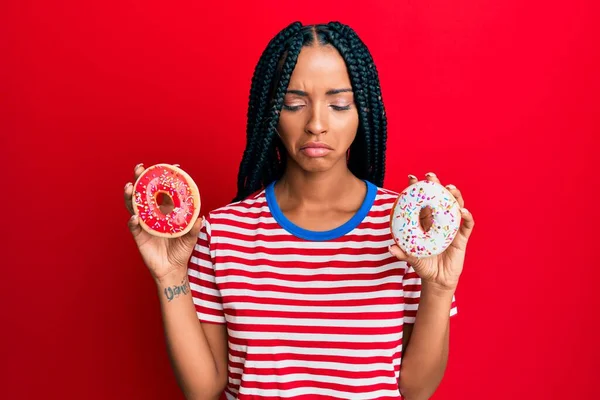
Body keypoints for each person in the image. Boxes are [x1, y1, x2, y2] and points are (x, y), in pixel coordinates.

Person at [123, 21, 475, 400]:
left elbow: (416, 390)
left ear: (363, 111)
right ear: (271, 113)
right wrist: (169, 275)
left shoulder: (405, 232)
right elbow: (204, 389)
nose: (316, 124)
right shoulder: (223, 233)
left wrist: (439, 288)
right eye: (294, 104)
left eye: (338, 104)